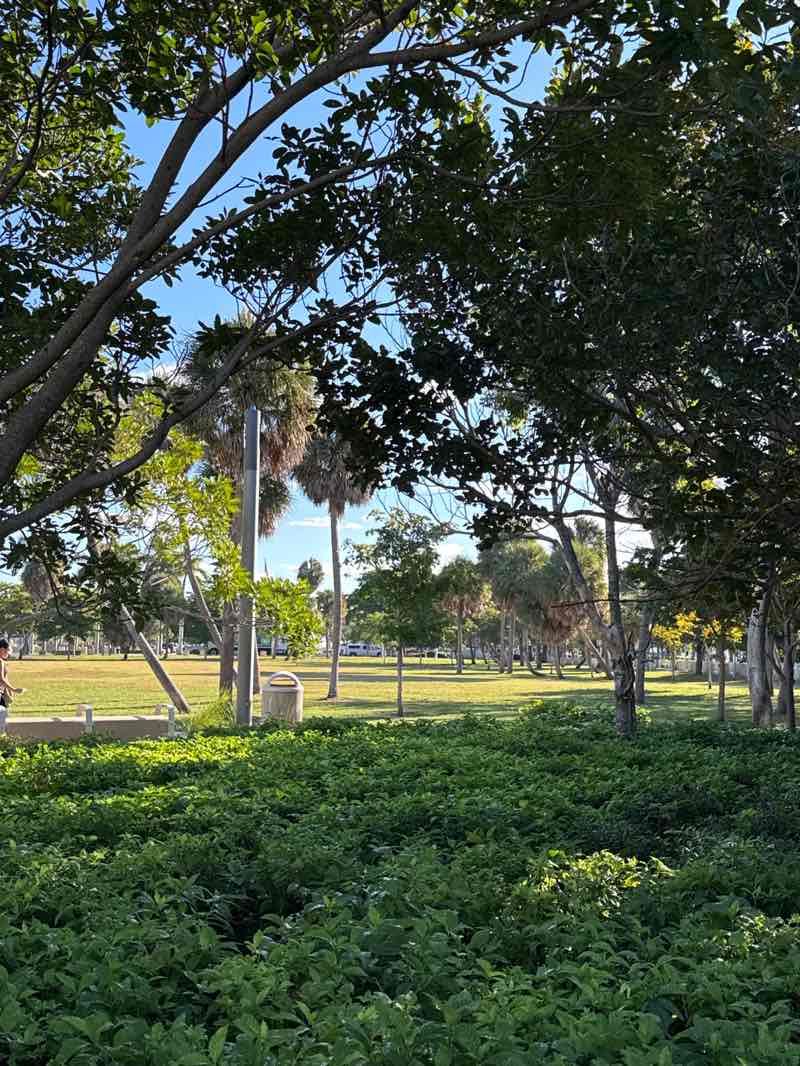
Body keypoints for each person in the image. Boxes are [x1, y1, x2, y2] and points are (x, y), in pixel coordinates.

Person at [0, 639, 24, 709]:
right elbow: (1, 680)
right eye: (7, 650)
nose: (9, 653)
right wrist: (14, 689)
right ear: (1, 649)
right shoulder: (0, 662)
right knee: (2, 716)